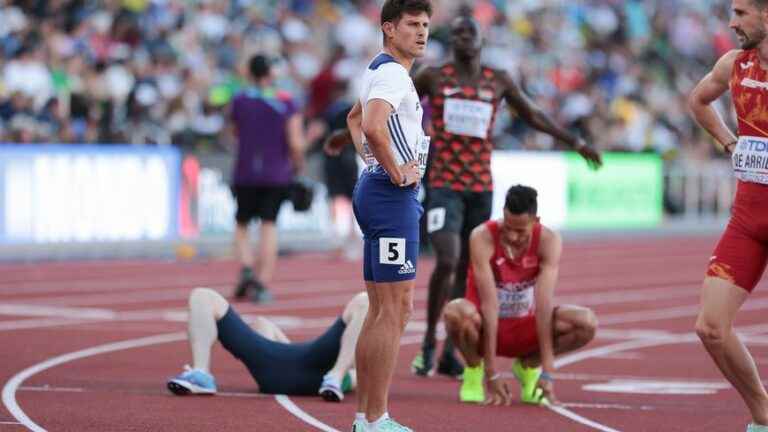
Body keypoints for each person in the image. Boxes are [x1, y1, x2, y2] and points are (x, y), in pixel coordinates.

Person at [409, 13, 603, 378]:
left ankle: (452, 349)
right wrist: (359, 131)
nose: (465, 37)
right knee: (447, 259)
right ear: (452, 40)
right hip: (443, 185)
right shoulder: (432, 76)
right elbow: (395, 103)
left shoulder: (497, 80)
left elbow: (532, 114)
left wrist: (574, 141)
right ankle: (426, 344)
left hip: (480, 188)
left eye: (471, 32)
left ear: (482, 39)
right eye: (458, 32)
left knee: (468, 267)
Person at [345, 1, 432, 431]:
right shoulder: (393, 73)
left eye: (426, 25)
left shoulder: (381, 70)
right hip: (390, 195)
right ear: (388, 28)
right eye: (412, 25)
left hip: (380, 191)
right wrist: (394, 170)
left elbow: (354, 118)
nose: (422, 32)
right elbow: (373, 125)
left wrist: (374, 164)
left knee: (384, 308)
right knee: (395, 310)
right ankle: (375, 419)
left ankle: (367, 416)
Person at [688, 1, 768, 430]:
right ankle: (763, 414)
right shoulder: (734, 64)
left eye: (741, 13)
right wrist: (727, 141)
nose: (732, 23)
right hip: (748, 219)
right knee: (710, 328)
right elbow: (699, 101)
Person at [442, 185, 597, 405]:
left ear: (536, 221)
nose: (513, 236)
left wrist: (548, 371)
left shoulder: (548, 241)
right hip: (484, 326)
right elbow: (489, 305)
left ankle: (528, 368)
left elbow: (544, 307)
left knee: (585, 322)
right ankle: (474, 370)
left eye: (521, 231)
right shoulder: (482, 236)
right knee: (456, 312)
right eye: (507, 228)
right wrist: (492, 372)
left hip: (525, 328)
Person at [166, 288, 368, 402]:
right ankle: (201, 373)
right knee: (202, 295)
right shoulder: (356, 370)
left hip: (300, 370)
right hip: (284, 360)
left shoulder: (354, 375)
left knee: (366, 300)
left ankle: (336, 375)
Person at [229, 54, 306, 303]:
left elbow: (233, 133)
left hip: (246, 170)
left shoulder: (240, 100)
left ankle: (246, 266)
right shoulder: (285, 101)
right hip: (276, 173)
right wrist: (298, 166)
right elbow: (295, 142)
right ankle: (261, 283)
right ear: (271, 73)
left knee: (241, 224)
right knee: (268, 226)